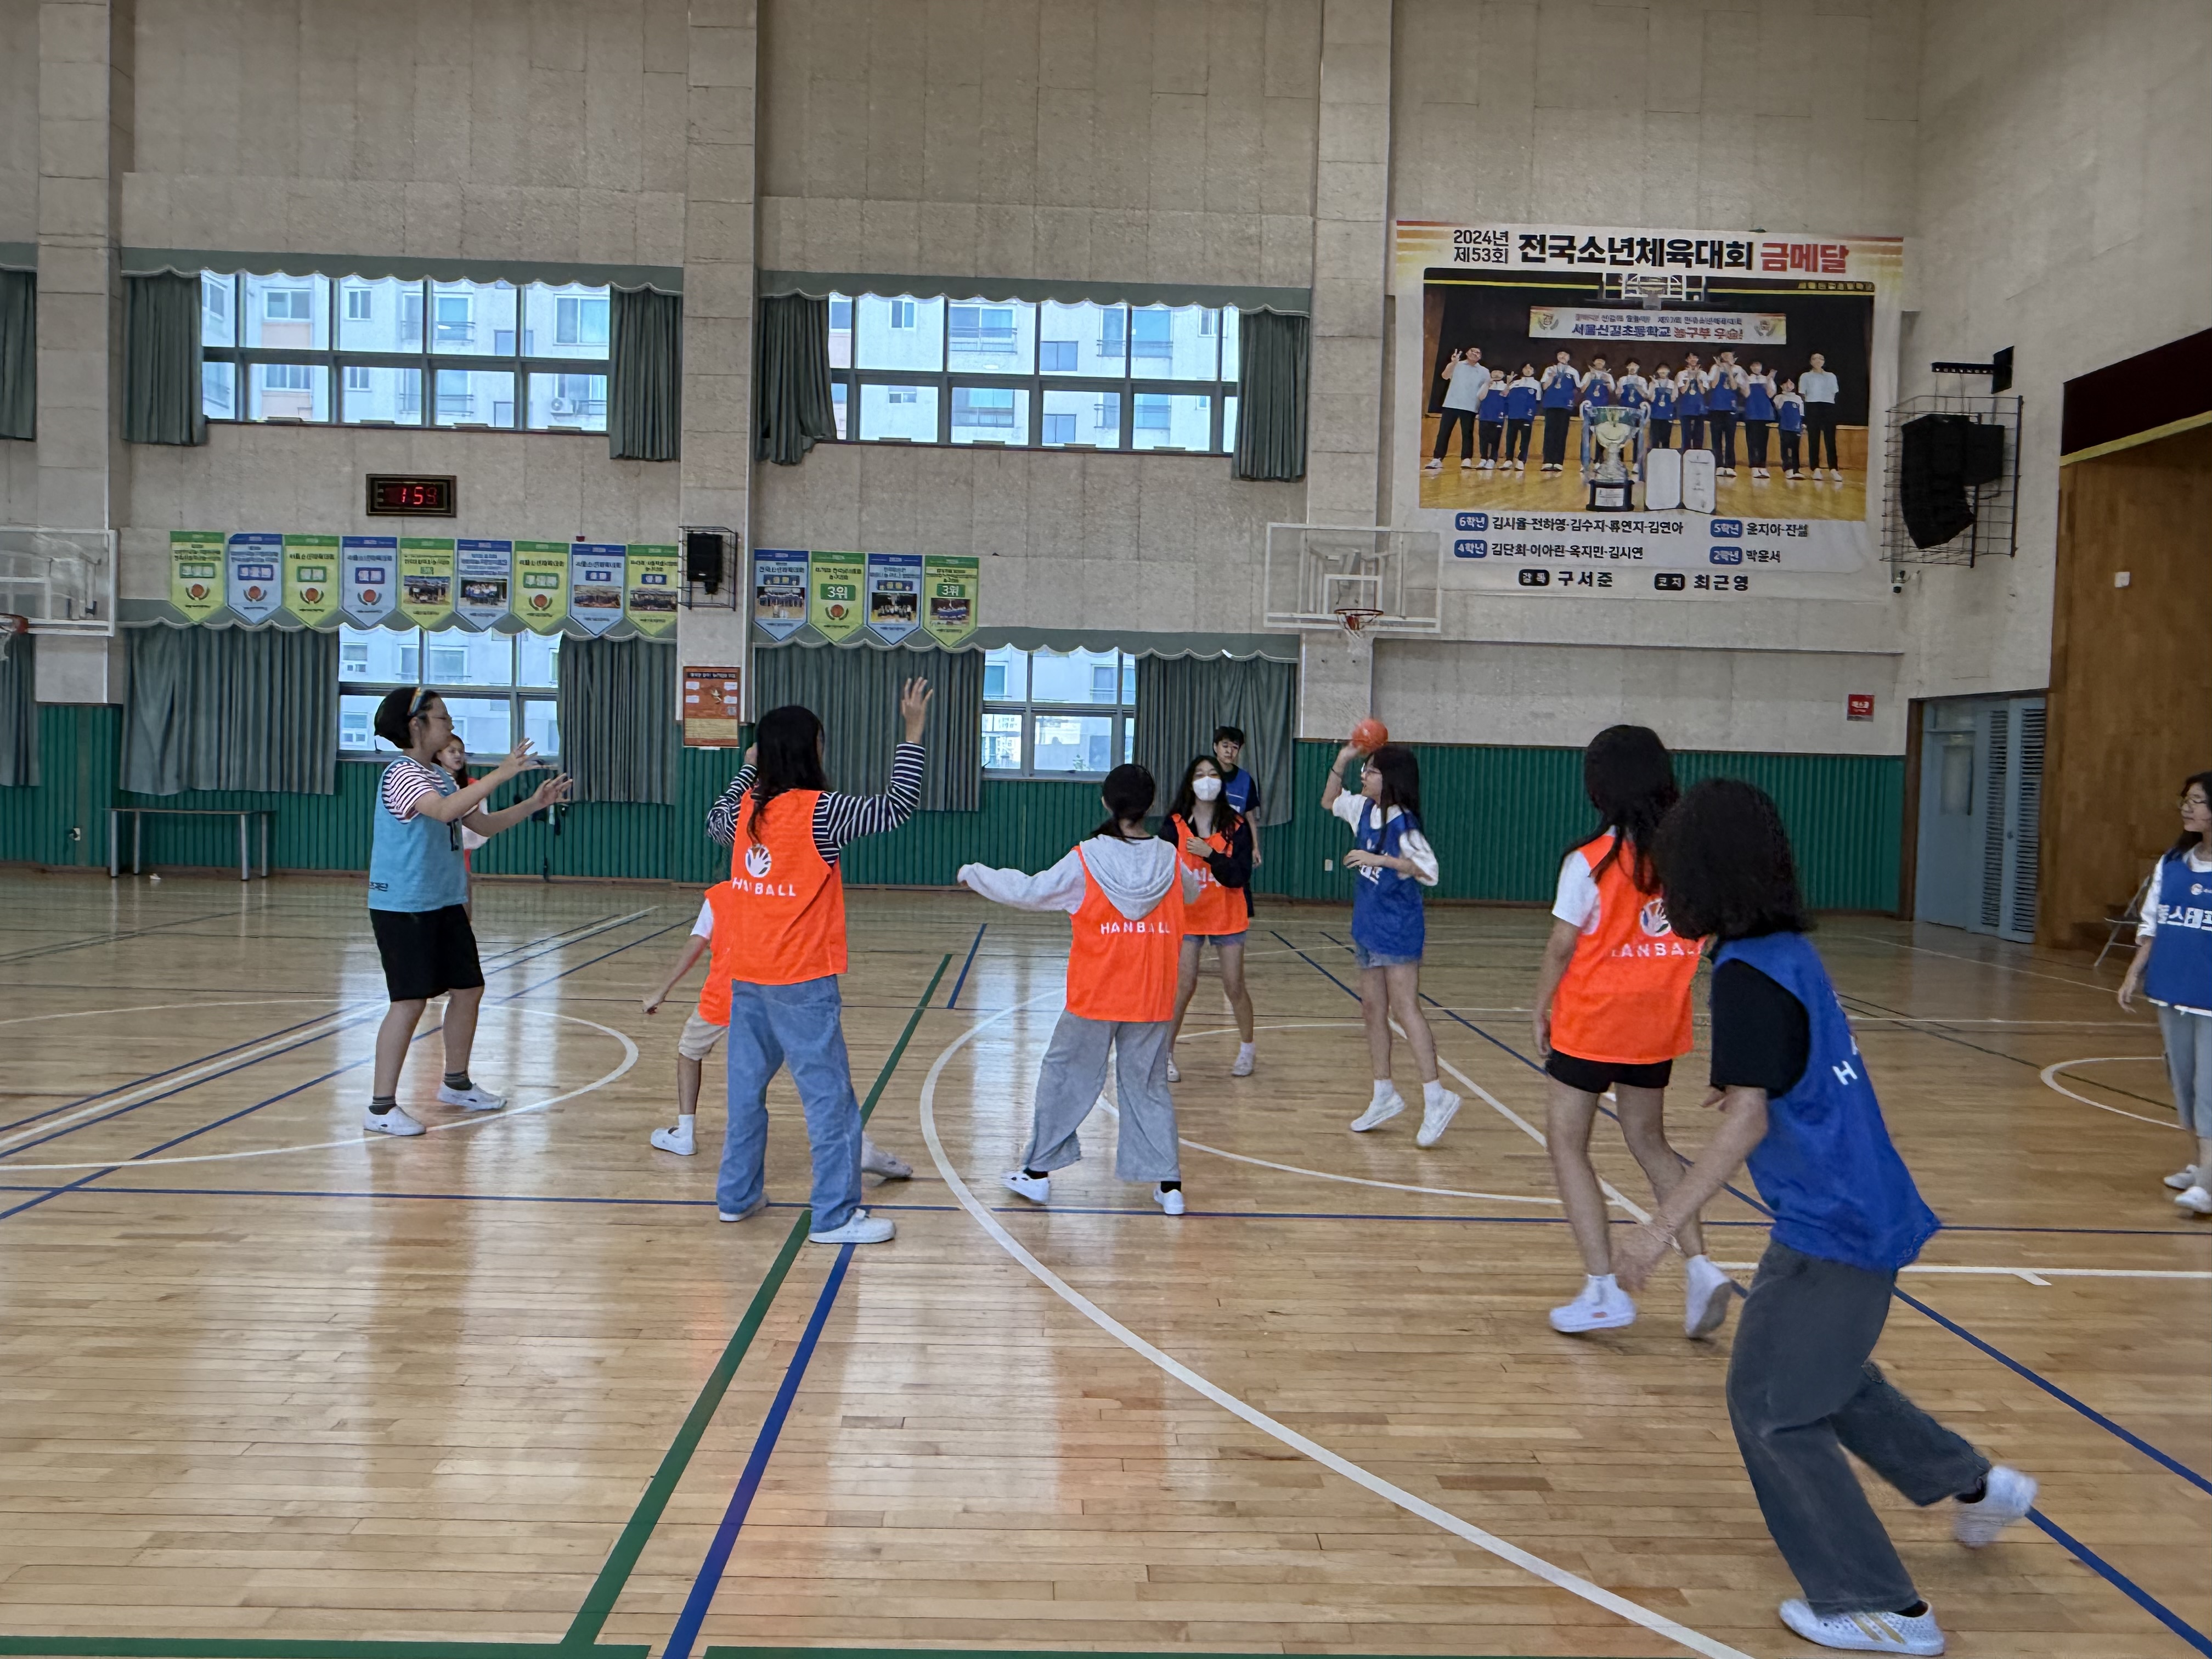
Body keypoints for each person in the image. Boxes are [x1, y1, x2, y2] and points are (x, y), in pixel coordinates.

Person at [1616, 778, 2036, 1657]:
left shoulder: (1742, 973)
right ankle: (1974, 1486)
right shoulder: (1784, 951)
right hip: (1863, 1206)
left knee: (1773, 1407)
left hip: (1833, 1227)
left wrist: (1658, 1230)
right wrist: (1748, 1083)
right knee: (1830, 1378)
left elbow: (1749, 1121)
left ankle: (1882, 1607)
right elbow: (1782, 1071)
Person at [701, 678, 934, 1246]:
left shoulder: (745, 813)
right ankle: (833, 1216)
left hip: (748, 977)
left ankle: (737, 1197)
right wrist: (912, 733)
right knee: (830, 1102)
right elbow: (898, 805)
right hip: (801, 982)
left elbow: (714, 819)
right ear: (813, 749)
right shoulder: (822, 812)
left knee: (745, 1095)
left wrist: (746, 771)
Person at [1532, 727, 1734, 1336]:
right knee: (1650, 1142)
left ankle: (1602, 1290)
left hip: (1592, 1023)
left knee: (1568, 1143)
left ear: (1600, 788)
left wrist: (1541, 1005)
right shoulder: (1688, 863)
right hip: (1655, 1025)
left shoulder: (1590, 860)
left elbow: (1562, 944)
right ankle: (1700, 1268)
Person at [960, 764, 1199, 1216]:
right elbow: (1191, 895)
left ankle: (1037, 1175)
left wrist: (977, 874)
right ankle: (1170, 1186)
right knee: (1148, 1086)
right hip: (1151, 995)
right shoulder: (1169, 859)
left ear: (1106, 802)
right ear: (1150, 805)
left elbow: (1031, 892)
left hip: (1095, 995)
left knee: (1066, 1077)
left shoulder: (1087, 858)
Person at [365, 689, 572, 1137]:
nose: (451, 725)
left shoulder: (438, 776)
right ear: (416, 725)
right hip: (404, 905)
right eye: (442, 718)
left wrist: (535, 803)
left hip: (443, 901)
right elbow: (442, 813)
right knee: (409, 1002)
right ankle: (380, 1107)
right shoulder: (402, 774)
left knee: (468, 988)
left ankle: (456, 1083)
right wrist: (502, 772)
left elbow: (483, 824)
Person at [640, 883, 913, 1180]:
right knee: (816, 1077)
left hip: (725, 997)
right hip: (778, 996)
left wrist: (661, 990)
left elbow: (696, 942)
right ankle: (859, 1146)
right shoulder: (783, 891)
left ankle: (686, 1134)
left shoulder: (720, 896)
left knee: (691, 1053)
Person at [1323, 740, 1459, 1145]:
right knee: (1372, 1010)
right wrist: (1343, 758)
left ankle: (1437, 1096)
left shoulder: (1404, 824)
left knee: (1405, 1009)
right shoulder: (1363, 809)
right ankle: (1384, 1093)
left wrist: (1381, 860)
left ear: (1392, 779)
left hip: (1398, 929)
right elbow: (1329, 800)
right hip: (1368, 926)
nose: (1364, 776)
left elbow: (1429, 871)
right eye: (1364, 769)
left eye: (1372, 770)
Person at [2118, 770, 2212, 1216]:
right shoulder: (2173, 862)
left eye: (2197, 801)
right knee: (2184, 1083)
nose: (2187, 808)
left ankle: (2208, 1185)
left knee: (2210, 1087)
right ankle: (2201, 1165)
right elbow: (2153, 924)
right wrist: (2133, 973)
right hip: (2172, 989)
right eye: (2185, 800)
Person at [1159, 754, 1256, 1081]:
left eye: (1213, 774)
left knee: (1234, 985)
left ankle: (1247, 1048)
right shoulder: (1173, 825)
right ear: (1190, 782)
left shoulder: (1237, 826)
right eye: (1200, 774)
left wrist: (1211, 856)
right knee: (1183, 986)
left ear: (1221, 782)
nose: (1207, 780)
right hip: (1188, 916)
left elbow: (1239, 875)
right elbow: (1162, 870)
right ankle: (1166, 1053)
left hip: (1227, 914)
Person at [432, 735, 489, 908]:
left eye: (461, 752)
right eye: (452, 751)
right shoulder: (426, 786)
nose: (458, 755)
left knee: (462, 919)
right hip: (430, 868)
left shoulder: (473, 787)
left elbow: (479, 834)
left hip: (460, 868)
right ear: (439, 755)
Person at [1214, 725, 1263, 902]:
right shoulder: (1205, 775)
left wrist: (1255, 847)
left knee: (1237, 897)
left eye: (1235, 747)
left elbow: (1250, 817)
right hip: (1210, 845)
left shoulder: (1245, 780)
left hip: (1236, 847)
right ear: (1215, 747)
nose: (1230, 751)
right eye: (1225, 746)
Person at [1425, 345, 1484, 472]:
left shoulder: (1484, 371)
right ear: (1467, 353)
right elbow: (1445, 376)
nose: (1475, 354)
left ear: (1481, 356)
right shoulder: (1457, 365)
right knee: (1444, 432)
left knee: (1467, 434)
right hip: (1451, 404)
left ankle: (1467, 459)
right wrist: (1453, 363)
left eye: (1478, 352)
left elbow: (1485, 389)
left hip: (1470, 406)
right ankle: (1437, 459)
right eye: (1472, 351)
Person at [1801, 350, 1843, 480]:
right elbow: (1803, 394)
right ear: (1811, 362)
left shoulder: (1831, 376)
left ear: (1824, 361)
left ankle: (1834, 469)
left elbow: (1835, 392)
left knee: (1830, 438)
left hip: (1828, 406)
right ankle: (1816, 469)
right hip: (1812, 405)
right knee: (1814, 438)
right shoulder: (1805, 376)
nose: (1818, 361)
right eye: (1815, 359)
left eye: (1820, 358)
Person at [1539, 349, 1579, 472]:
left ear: (1569, 358)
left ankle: (1558, 462)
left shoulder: (1573, 371)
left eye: (1566, 355)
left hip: (1565, 405)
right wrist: (1551, 377)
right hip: (1551, 404)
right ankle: (1547, 461)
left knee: (1562, 433)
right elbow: (1544, 387)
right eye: (1560, 354)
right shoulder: (1550, 369)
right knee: (1549, 432)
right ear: (1557, 356)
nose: (1563, 356)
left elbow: (1579, 388)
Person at [1576, 354, 1615, 472]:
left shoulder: (1608, 375)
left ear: (1605, 364)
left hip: (1602, 409)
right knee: (1586, 436)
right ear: (1594, 363)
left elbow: (1612, 391)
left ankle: (1599, 461)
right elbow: (1582, 389)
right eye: (1597, 361)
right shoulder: (1588, 374)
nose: (1599, 363)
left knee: (1601, 436)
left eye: (1602, 361)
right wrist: (1591, 378)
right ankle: (1585, 462)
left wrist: (1607, 381)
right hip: (1589, 408)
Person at [1706, 349, 1741, 475]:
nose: (1727, 358)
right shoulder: (1715, 368)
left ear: (1734, 358)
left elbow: (1734, 387)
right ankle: (1719, 465)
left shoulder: (1738, 369)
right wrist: (1719, 368)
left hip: (1730, 408)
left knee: (1730, 439)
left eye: (1729, 356)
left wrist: (1729, 370)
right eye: (1724, 356)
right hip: (1716, 408)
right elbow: (1713, 385)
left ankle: (1730, 466)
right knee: (1717, 438)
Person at [1742, 358, 1777, 478]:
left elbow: (1770, 394)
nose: (1756, 368)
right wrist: (1746, 381)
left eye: (1758, 365)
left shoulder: (1767, 378)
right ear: (1750, 367)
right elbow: (1746, 394)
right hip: (1751, 412)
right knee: (1752, 441)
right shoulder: (1747, 378)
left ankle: (1763, 466)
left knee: (1763, 441)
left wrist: (1769, 380)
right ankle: (1754, 466)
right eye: (1754, 365)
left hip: (1764, 413)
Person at [1503, 362, 1538, 471]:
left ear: (1534, 371)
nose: (1528, 370)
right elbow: (1504, 396)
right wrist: (1508, 384)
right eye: (1526, 368)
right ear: (1522, 370)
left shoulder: (1536, 384)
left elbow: (1538, 400)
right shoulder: (1515, 383)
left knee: (1525, 440)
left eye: (1531, 368)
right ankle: (1508, 460)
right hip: (1513, 415)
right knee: (1510, 439)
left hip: (1527, 416)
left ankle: (1521, 460)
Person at [1475, 368, 1508, 471]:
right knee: (1483, 438)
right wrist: (1487, 385)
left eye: (1500, 372)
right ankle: (1483, 458)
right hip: (1485, 415)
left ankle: (1493, 460)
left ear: (1504, 375)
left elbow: (1507, 400)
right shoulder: (1486, 384)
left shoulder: (1505, 386)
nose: (1497, 374)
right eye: (1495, 371)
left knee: (1495, 439)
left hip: (1498, 416)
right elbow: (1481, 397)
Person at [1777, 377, 1807, 480]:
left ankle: (1796, 470)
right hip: (1784, 426)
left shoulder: (1798, 399)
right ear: (1782, 386)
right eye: (1786, 384)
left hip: (1796, 427)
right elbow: (1778, 410)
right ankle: (1788, 469)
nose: (1789, 386)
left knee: (1795, 449)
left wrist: (1802, 424)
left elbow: (1801, 414)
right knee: (1785, 448)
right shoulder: (1779, 397)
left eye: (1791, 384)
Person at [1677, 355, 1707, 455]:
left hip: (1699, 408)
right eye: (1691, 358)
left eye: (1696, 358)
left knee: (1699, 435)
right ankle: (1686, 457)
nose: (1694, 360)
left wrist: (1698, 378)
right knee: (1686, 435)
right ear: (1687, 360)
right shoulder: (1681, 374)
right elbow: (1683, 391)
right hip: (1686, 408)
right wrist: (1690, 378)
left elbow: (1703, 391)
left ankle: (1697, 457)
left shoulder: (1703, 374)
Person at [1646, 364, 1677, 453]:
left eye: (1666, 370)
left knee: (1666, 440)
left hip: (1667, 414)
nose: (1663, 372)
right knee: (1655, 440)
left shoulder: (1672, 383)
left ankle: (1665, 458)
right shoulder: (1653, 383)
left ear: (1669, 371)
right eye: (1661, 370)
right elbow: (1651, 399)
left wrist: (1674, 388)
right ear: (1657, 372)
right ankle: (1654, 458)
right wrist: (1653, 385)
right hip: (1655, 414)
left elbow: (1673, 399)